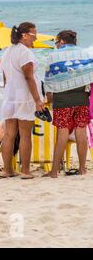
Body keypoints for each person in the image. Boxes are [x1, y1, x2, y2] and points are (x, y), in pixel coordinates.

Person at [0, 22, 45, 179]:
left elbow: (5, 77)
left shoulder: (7, 52)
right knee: (25, 135)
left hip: (10, 97)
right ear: (24, 35)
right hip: (24, 97)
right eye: (33, 34)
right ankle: (25, 171)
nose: (35, 38)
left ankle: (7, 170)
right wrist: (38, 99)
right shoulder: (25, 53)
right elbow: (28, 77)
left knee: (9, 134)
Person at [44, 30, 90, 178]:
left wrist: (49, 98)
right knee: (81, 131)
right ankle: (83, 168)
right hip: (82, 97)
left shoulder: (53, 56)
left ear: (62, 41)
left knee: (62, 132)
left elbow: (49, 80)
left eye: (57, 42)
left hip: (62, 99)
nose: (56, 45)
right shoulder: (86, 54)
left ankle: (54, 171)